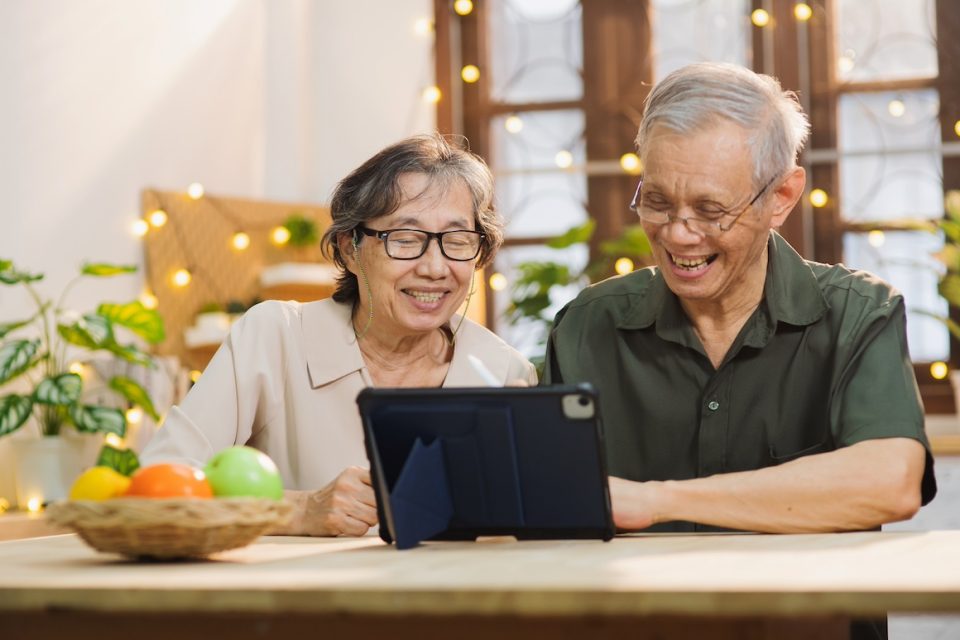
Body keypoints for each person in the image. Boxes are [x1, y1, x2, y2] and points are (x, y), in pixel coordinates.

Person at [544, 62, 937, 534]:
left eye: (711, 210)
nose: (678, 234)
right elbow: (545, 499)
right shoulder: (585, 326)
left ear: (782, 196)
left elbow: (890, 483)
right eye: (657, 201)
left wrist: (654, 501)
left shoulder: (858, 313)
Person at [142, 133, 537, 537]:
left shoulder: (503, 370)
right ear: (350, 248)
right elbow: (157, 484)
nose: (435, 268)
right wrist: (297, 510)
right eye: (405, 239)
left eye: (457, 241)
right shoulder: (275, 337)